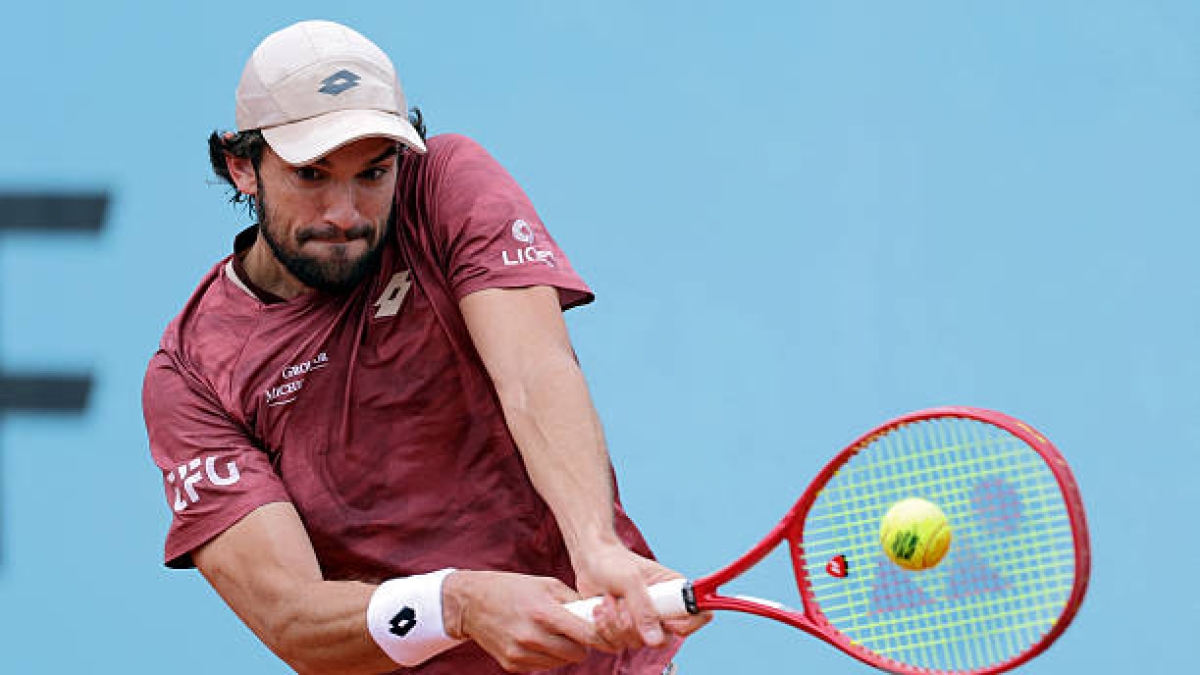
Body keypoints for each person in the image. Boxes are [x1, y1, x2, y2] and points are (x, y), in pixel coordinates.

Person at [141, 18, 707, 675]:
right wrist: (458, 603)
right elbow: (291, 616)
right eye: (312, 174)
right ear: (243, 165)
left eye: (373, 173)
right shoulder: (192, 375)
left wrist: (595, 545)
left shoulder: (443, 184)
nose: (345, 212)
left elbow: (532, 372)